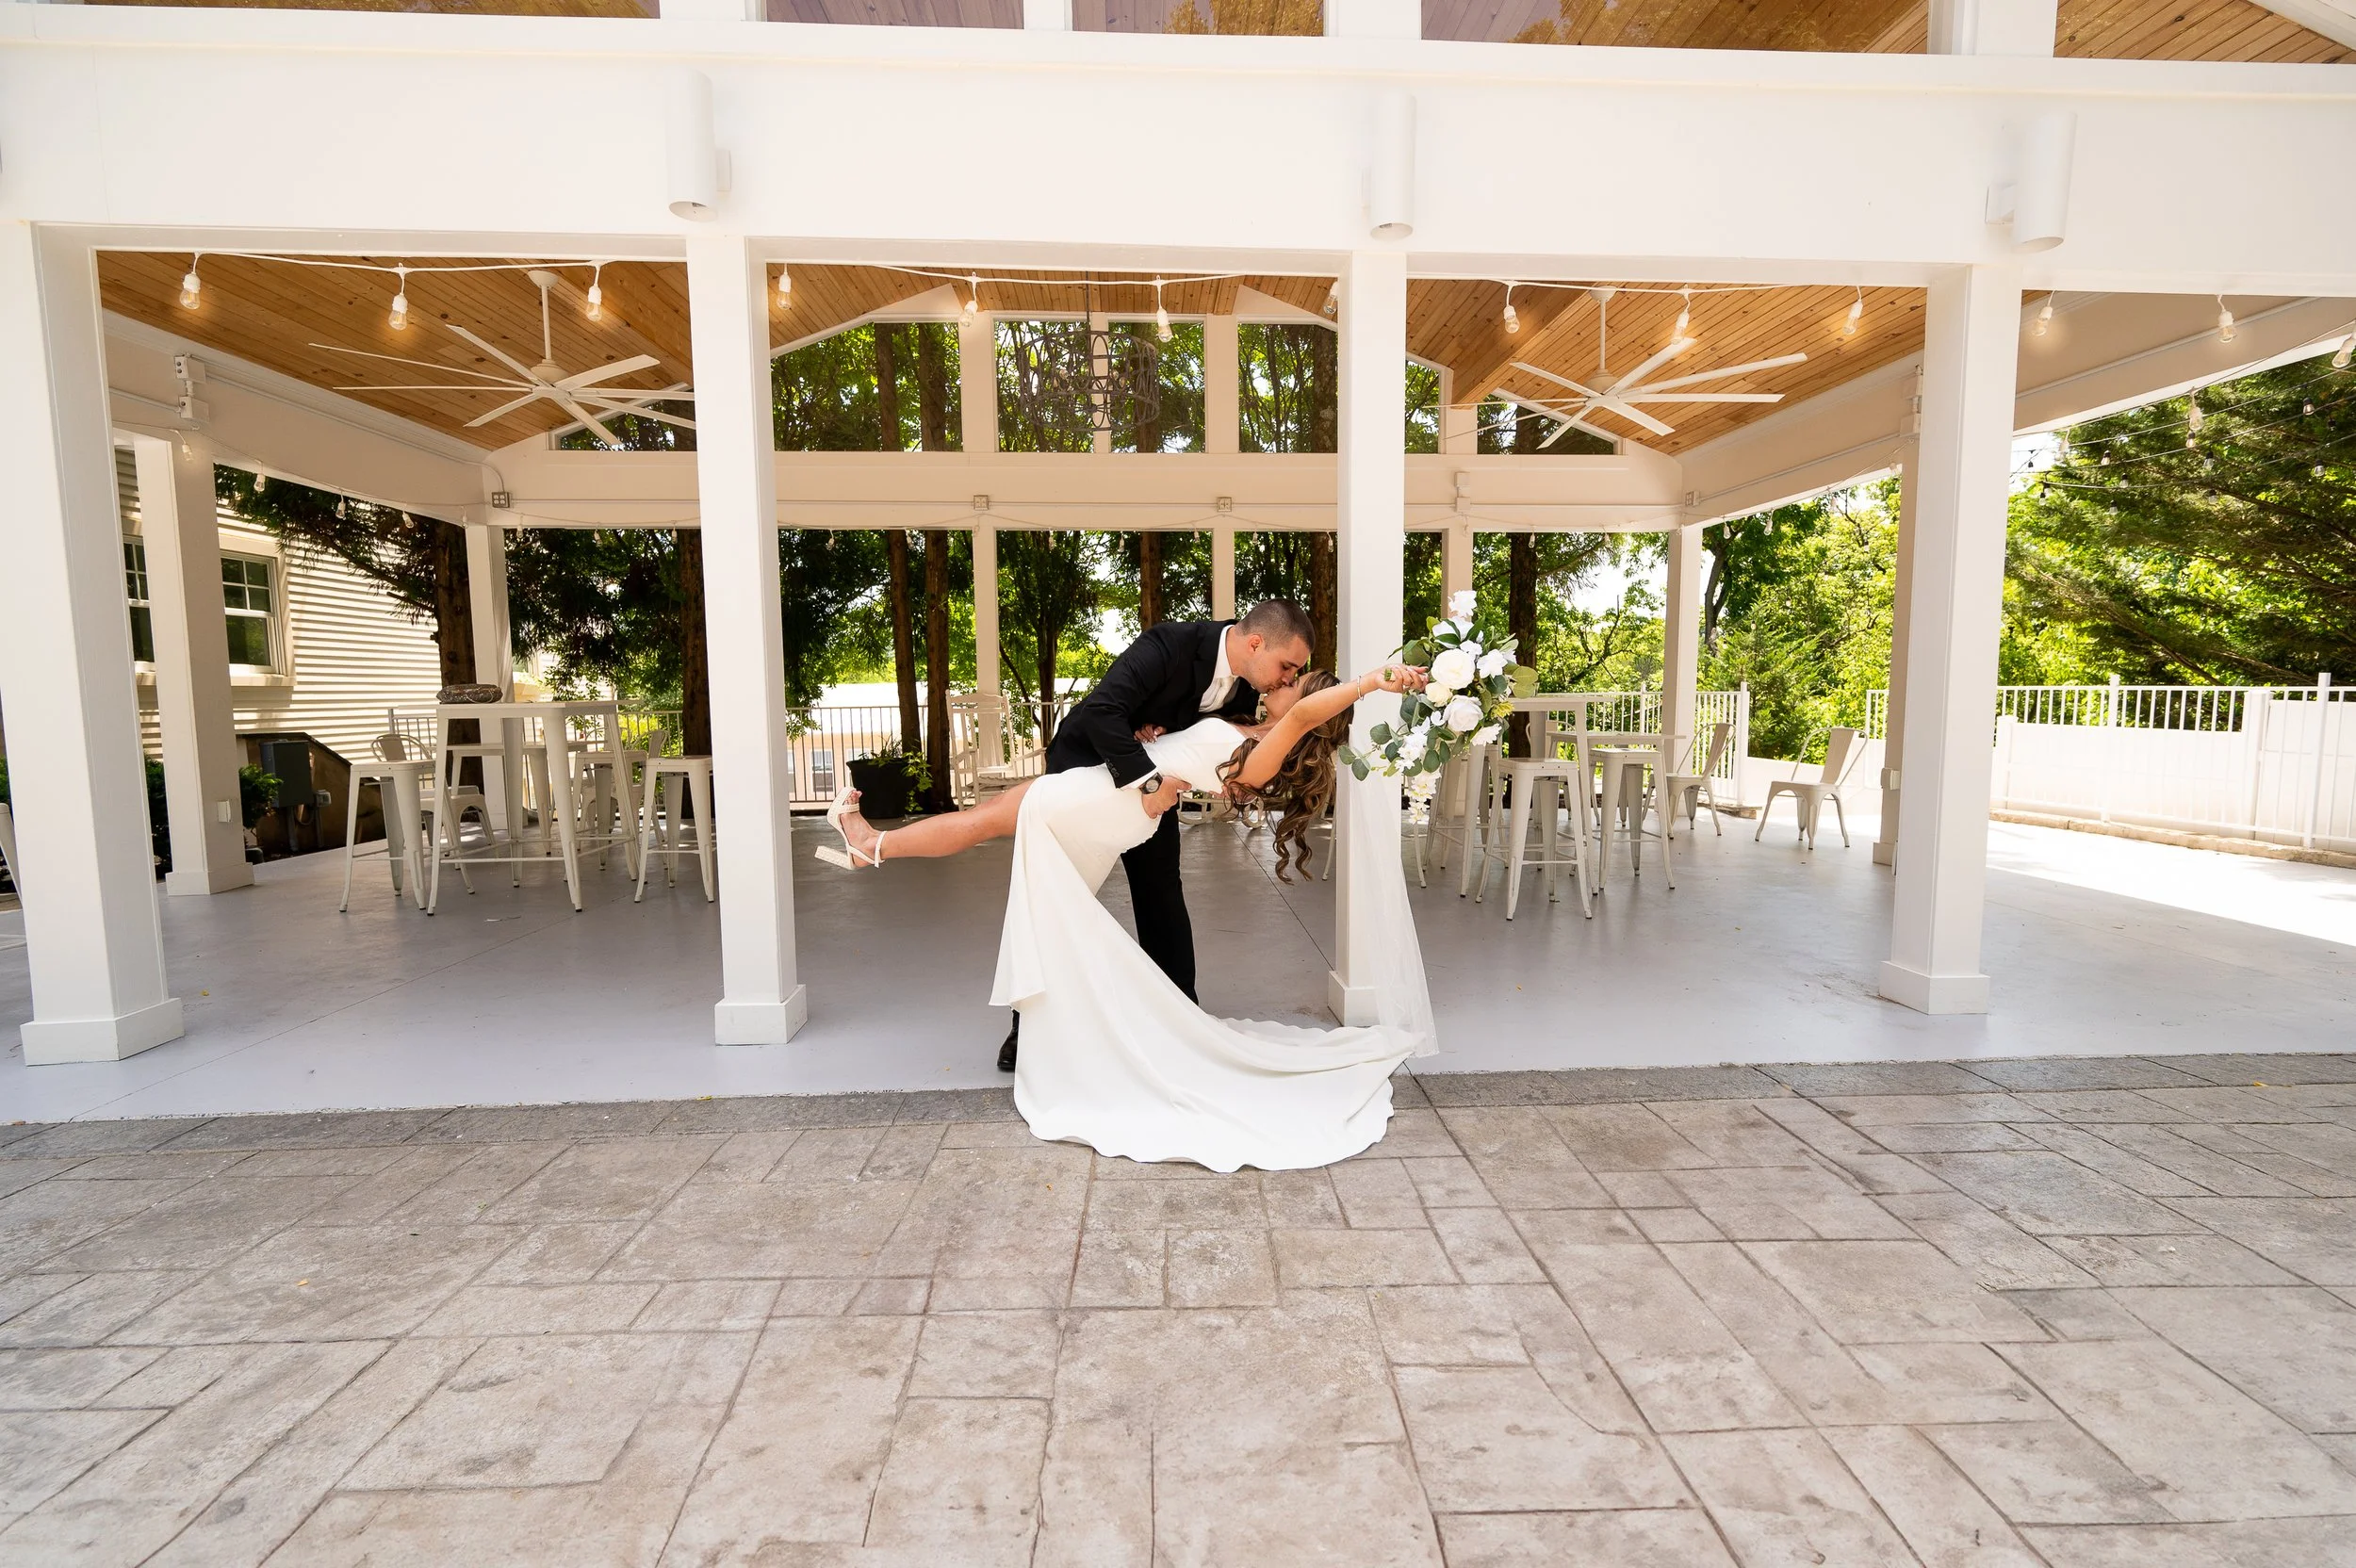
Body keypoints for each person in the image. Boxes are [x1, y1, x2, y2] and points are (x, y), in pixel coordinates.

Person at [815, 662, 1438, 1173]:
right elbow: (1184, 760)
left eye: (1297, 681)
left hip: (1102, 801)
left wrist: (1374, 682)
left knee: (989, 821)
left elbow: (1297, 716)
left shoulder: (1271, 744)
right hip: (1116, 804)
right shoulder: (1250, 729)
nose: (1283, 680)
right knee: (1031, 872)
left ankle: (871, 844)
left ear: (1311, 704)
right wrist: (1155, 750)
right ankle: (875, 851)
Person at [1003, 599, 1315, 1072]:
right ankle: (1025, 1027)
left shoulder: (1248, 688)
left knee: (1162, 893)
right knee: (1058, 898)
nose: (1287, 679)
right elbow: (1101, 713)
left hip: (1155, 788)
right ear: (1255, 642)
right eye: (1287, 666)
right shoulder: (1168, 644)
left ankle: (1183, 1017)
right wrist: (1147, 776)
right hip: (1087, 772)